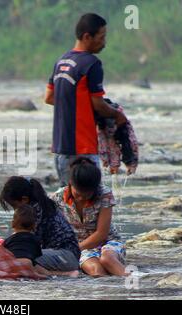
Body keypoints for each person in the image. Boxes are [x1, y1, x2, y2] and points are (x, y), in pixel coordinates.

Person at [44, 13, 127, 187]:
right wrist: (118, 115)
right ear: (87, 37)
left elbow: (50, 98)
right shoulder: (91, 64)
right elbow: (99, 105)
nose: (104, 43)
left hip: (61, 149)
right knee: (92, 202)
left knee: (68, 203)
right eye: (101, 37)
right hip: (82, 149)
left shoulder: (62, 61)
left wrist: (77, 105)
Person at [52, 157, 127, 277]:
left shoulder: (104, 194)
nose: (82, 198)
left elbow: (102, 234)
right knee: (95, 270)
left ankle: (136, 282)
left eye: (87, 195)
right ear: (70, 183)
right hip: (82, 248)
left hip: (108, 241)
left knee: (107, 260)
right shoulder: (58, 198)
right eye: (78, 194)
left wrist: (74, 249)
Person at [0, 177, 80, 277]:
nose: (15, 210)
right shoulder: (36, 206)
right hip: (59, 254)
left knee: (21, 259)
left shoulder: (34, 212)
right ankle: (60, 274)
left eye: (15, 206)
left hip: (66, 256)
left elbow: (25, 246)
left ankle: (64, 274)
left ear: (24, 199)